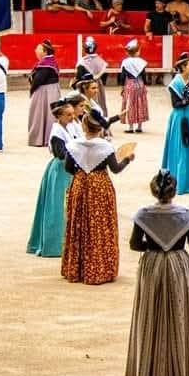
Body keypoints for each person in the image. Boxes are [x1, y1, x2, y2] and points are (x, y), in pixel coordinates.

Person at [125, 170, 189, 376]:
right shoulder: (185, 215)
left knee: (151, 312)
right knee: (178, 312)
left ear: (153, 190)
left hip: (152, 265)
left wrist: (153, 247)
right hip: (178, 265)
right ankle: (177, 369)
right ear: (174, 191)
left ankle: (149, 371)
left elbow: (134, 244)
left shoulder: (143, 215)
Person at [62, 115, 135, 285]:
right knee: (100, 225)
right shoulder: (106, 147)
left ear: (84, 126)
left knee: (78, 223)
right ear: (100, 129)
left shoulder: (73, 146)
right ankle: (100, 268)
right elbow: (115, 169)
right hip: (100, 186)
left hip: (80, 185)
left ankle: (76, 268)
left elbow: (68, 168)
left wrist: (82, 177)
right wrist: (127, 159)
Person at [26, 98, 76, 257]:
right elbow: (60, 154)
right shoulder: (56, 133)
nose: (72, 118)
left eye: (72, 114)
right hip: (60, 171)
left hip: (65, 170)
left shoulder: (67, 128)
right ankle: (54, 246)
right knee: (57, 207)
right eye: (68, 115)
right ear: (59, 116)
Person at [161, 52, 189, 195]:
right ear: (183, 67)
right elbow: (175, 104)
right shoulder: (175, 83)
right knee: (181, 147)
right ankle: (179, 181)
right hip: (180, 117)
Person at [27, 40, 61, 147]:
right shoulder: (50, 62)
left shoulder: (45, 64)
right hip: (52, 90)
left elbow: (38, 80)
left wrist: (32, 89)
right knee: (49, 115)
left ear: (45, 51)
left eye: (38, 49)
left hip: (44, 92)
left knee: (40, 114)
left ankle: (40, 139)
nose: (35, 50)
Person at [118, 39, 150, 134]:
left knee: (130, 104)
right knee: (141, 103)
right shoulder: (142, 62)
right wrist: (145, 85)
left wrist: (122, 87)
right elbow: (144, 75)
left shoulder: (125, 62)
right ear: (137, 51)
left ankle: (130, 127)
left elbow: (123, 76)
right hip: (140, 83)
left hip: (130, 84)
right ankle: (139, 126)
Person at [75, 37, 109, 114]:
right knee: (100, 101)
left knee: (88, 102)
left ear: (85, 50)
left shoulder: (83, 61)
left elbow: (79, 76)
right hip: (98, 85)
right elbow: (105, 75)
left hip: (86, 86)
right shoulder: (100, 60)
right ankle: (101, 117)